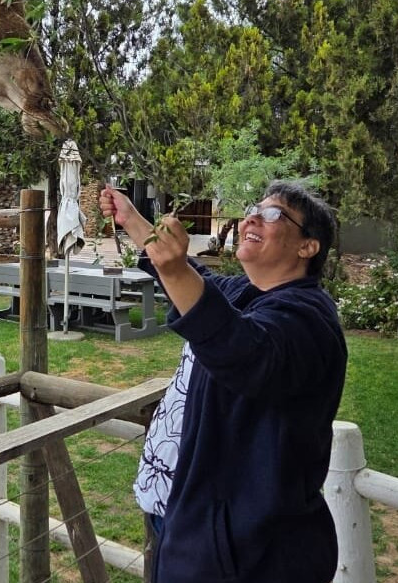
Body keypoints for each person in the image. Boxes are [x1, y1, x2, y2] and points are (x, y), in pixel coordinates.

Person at [100, 180, 347, 583]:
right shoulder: (248, 293)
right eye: (254, 207)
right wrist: (133, 221)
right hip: (190, 523)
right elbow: (197, 285)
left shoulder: (308, 320)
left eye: (274, 214)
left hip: (244, 555)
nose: (252, 216)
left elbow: (246, 354)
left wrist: (175, 268)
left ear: (308, 246)